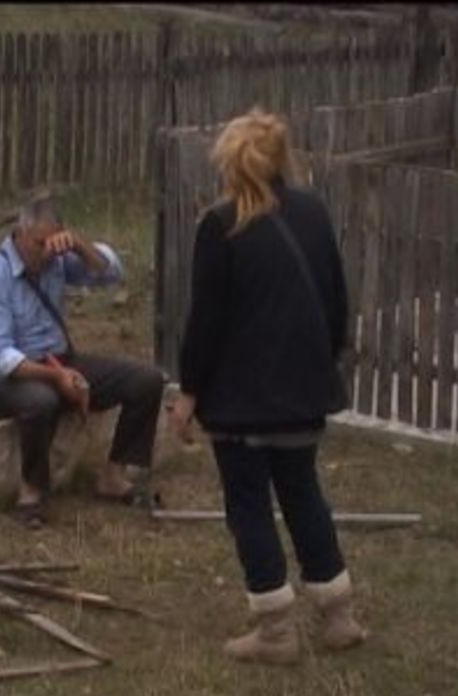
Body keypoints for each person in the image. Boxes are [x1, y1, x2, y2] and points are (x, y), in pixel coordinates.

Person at [169, 109, 367, 664]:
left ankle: (276, 631)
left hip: (244, 403)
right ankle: (338, 615)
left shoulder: (221, 222)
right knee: (304, 495)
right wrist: (318, 366)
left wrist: (188, 396)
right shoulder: (312, 212)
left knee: (250, 508)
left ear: (229, 163)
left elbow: (205, 324)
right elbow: (335, 302)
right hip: (303, 393)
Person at [0, 196, 165, 529]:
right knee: (40, 401)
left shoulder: (58, 260)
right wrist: (55, 377)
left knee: (146, 380)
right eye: (38, 243)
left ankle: (114, 476)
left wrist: (78, 245)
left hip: (60, 360)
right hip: (10, 376)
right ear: (19, 232)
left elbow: (110, 274)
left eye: (52, 241)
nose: (45, 251)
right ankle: (31, 491)